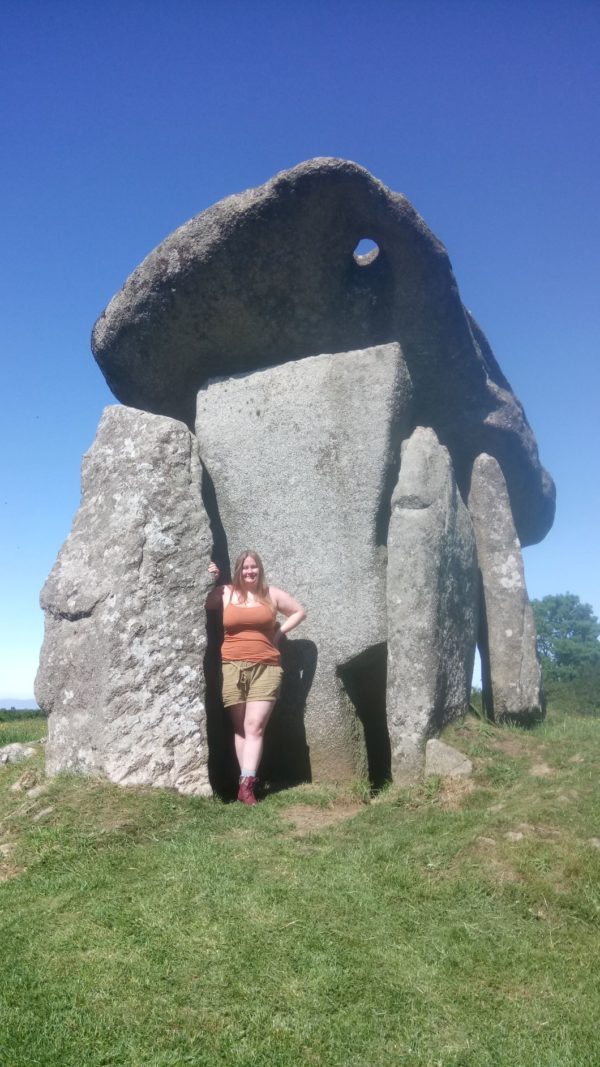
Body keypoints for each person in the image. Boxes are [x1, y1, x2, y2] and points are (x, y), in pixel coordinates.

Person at [206, 550, 306, 805]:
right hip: (232, 666)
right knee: (241, 728)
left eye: (254, 567)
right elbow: (206, 603)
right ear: (238, 570)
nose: (249, 572)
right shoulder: (225, 592)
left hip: (267, 666)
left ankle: (247, 785)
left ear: (259, 569)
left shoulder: (270, 594)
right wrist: (209, 577)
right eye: (245, 568)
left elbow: (298, 611)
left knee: (254, 727)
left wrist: (278, 634)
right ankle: (246, 781)